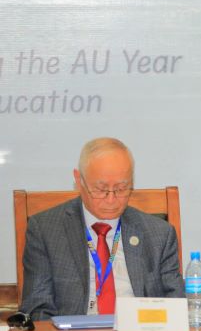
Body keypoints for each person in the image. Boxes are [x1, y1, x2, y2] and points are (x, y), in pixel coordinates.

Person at [21, 137, 185, 320]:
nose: (111, 199)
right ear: (79, 180)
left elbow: (175, 307)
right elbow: (38, 310)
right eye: (100, 189)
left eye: (122, 189)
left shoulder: (160, 234)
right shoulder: (45, 231)